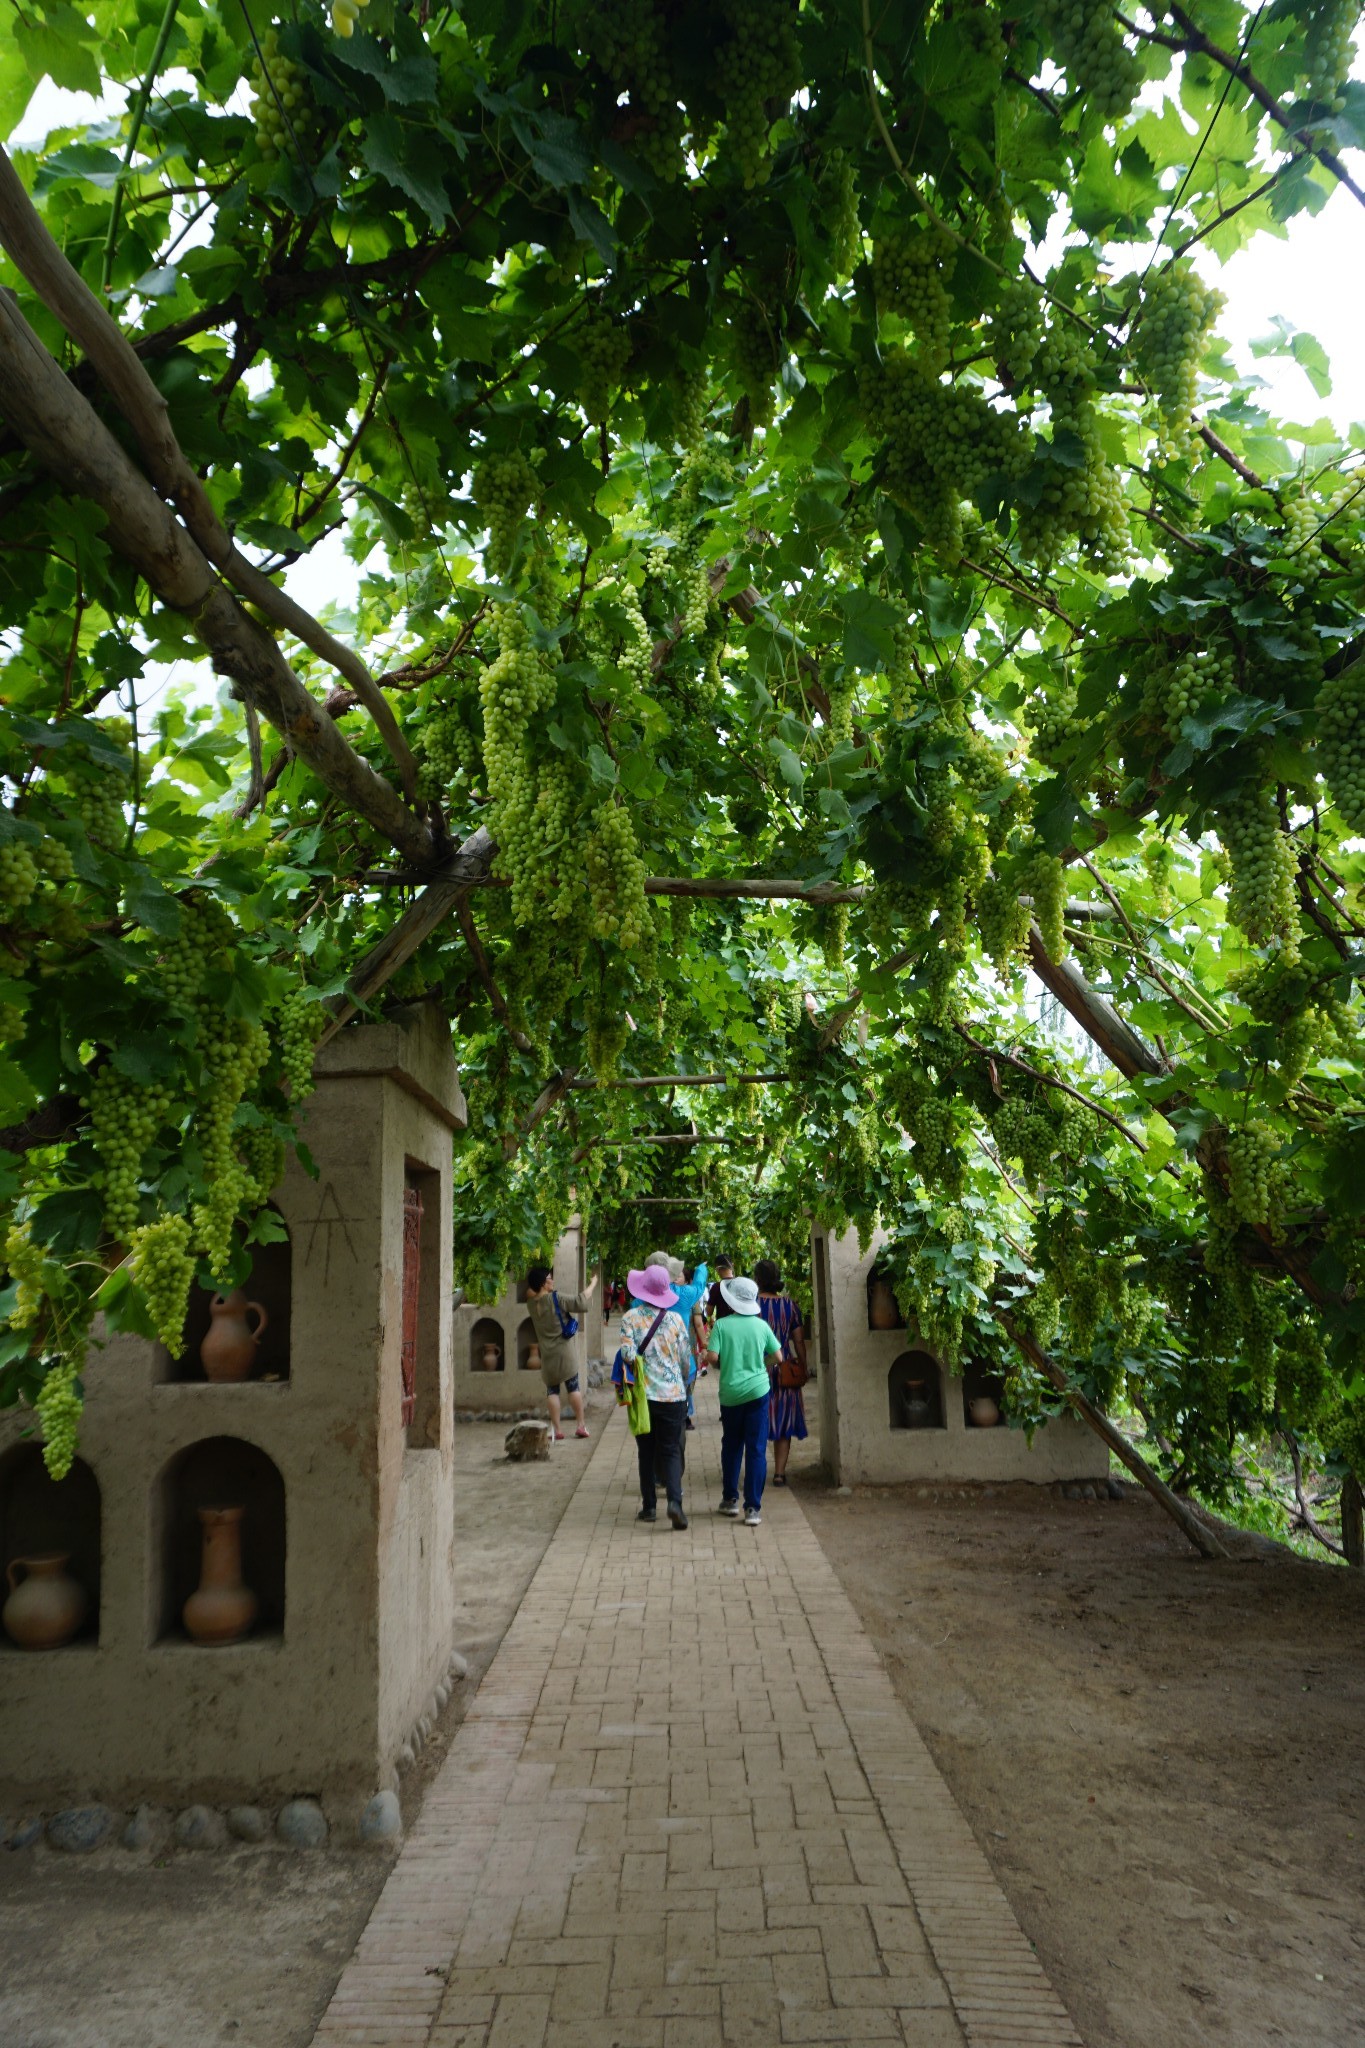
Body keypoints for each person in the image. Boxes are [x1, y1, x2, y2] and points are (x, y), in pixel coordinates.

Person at [702, 1274, 779, 1527]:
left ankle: (730, 1500)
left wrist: (720, 1362)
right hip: (758, 1392)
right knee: (757, 1449)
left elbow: (712, 1357)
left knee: (732, 1445)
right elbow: (778, 1356)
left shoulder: (722, 1325)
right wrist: (760, 1364)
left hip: (731, 1394)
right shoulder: (761, 1325)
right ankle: (753, 1509)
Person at [621, 1263, 692, 1529]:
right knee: (671, 1450)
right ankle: (674, 1502)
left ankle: (649, 1507)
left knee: (646, 1451)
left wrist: (640, 1358)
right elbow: (686, 1359)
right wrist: (682, 1383)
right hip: (673, 1396)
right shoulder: (675, 1319)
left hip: (643, 1396)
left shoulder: (630, 1318)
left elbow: (628, 1356)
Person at [525, 1263, 598, 1442]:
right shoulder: (556, 1298)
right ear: (543, 1283)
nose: (553, 1280)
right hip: (564, 1350)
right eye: (550, 1278)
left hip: (547, 1353)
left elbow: (530, 1291)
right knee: (573, 1387)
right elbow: (581, 1300)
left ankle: (557, 1430)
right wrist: (593, 1283)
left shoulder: (531, 1305)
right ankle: (580, 1425)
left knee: (552, 1391)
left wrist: (536, 1281)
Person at [755, 1258, 808, 1485]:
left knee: (757, 1420)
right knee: (784, 1420)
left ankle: (757, 1470)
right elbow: (798, 1341)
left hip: (756, 1369)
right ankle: (779, 1473)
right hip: (784, 1369)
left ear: (757, 1280)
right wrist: (803, 1367)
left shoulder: (752, 1306)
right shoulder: (789, 1306)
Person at [654, 1253, 709, 1428]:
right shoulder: (685, 1295)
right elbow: (700, 1286)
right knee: (683, 1384)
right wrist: (701, 1269)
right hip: (681, 1352)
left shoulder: (649, 1294)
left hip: (656, 1352)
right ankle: (681, 1416)